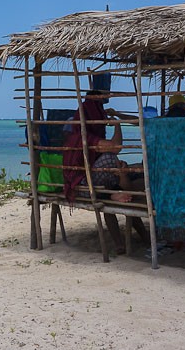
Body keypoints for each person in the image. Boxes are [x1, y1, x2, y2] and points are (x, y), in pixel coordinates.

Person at [62, 91, 148, 253]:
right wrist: (117, 125)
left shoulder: (88, 135)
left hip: (94, 182)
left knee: (126, 179)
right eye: (98, 109)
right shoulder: (82, 137)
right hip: (84, 187)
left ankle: (131, 239)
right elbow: (115, 147)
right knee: (111, 159)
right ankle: (113, 194)